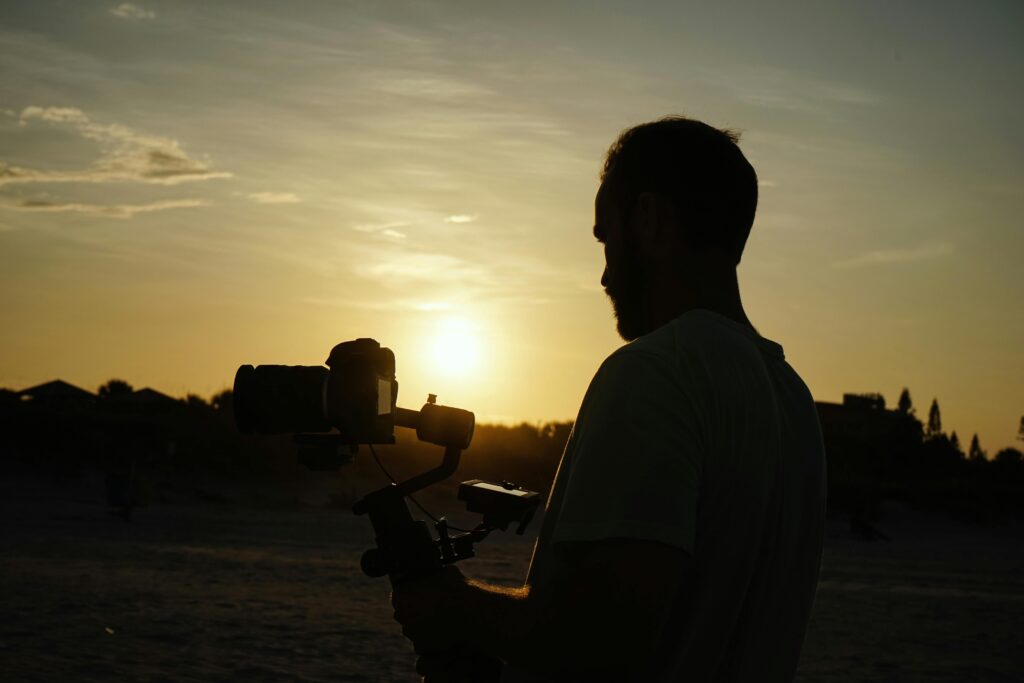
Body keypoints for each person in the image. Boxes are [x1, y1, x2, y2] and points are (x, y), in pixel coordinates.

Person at [392, 116, 827, 683]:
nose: (602, 275)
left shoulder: (655, 372)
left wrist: (456, 608)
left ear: (646, 220)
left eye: (605, 237)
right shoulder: (794, 400)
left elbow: (602, 643)